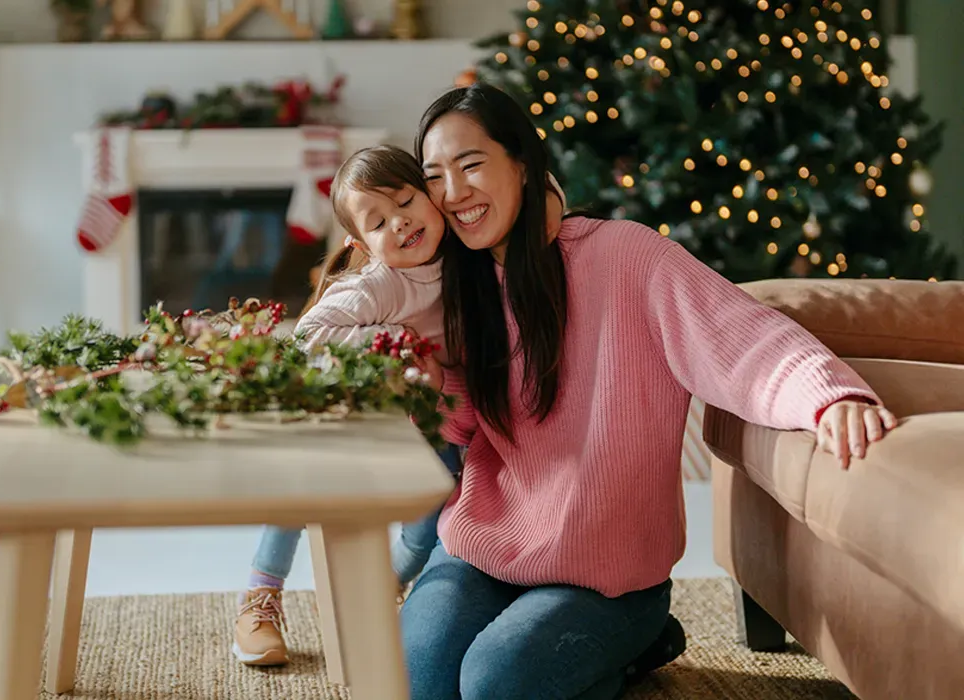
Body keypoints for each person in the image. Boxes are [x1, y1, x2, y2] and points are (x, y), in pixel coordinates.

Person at [401, 83, 899, 700]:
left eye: (471, 164)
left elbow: (742, 339)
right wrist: (423, 393)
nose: (454, 193)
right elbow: (459, 421)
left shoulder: (625, 256)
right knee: (417, 680)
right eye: (435, 176)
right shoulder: (457, 285)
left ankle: (641, 641)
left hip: (602, 578)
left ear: (524, 165)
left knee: (494, 684)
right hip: (482, 548)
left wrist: (831, 396)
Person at [232, 144, 567, 667]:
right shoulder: (382, 283)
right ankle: (260, 596)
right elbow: (308, 335)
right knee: (301, 489)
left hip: (436, 422)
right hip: (360, 416)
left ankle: (373, 591)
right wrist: (397, 339)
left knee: (428, 523)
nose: (401, 224)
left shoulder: (468, 252)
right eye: (379, 222)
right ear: (360, 244)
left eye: (406, 201)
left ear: (432, 197)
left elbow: (541, 201)